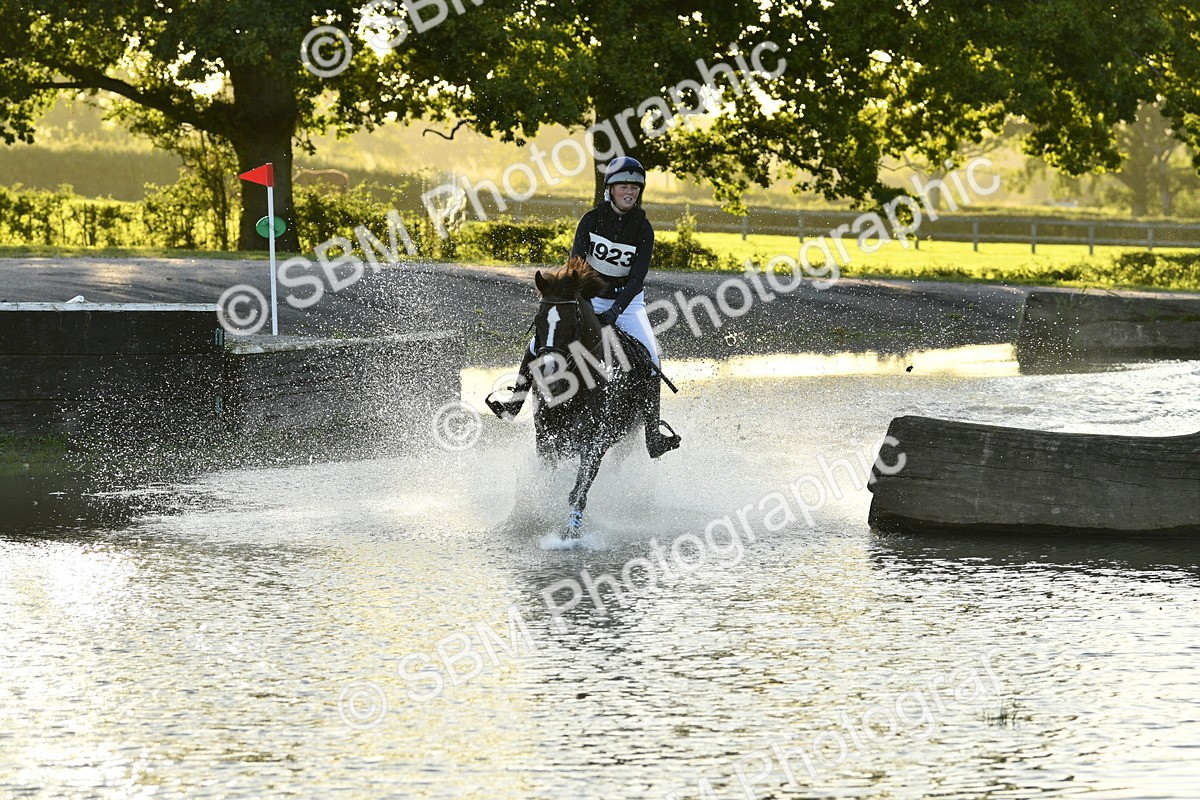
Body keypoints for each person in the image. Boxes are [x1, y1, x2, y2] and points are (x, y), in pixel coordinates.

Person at [488, 156, 681, 458]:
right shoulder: (591, 220)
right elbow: (575, 267)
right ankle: (516, 402)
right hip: (588, 296)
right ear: (610, 190)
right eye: (623, 186)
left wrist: (615, 311)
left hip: (627, 303)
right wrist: (584, 303)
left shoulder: (643, 228)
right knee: (537, 342)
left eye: (634, 187)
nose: (629, 192)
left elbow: (636, 279)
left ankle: (653, 435)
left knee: (651, 356)